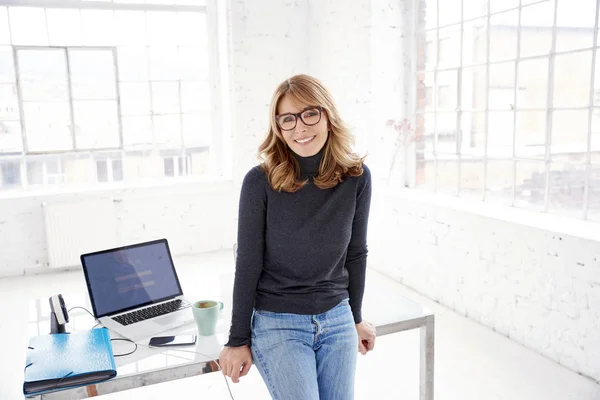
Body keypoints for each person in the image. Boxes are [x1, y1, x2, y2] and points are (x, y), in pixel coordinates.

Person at [219, 74, 376, 400]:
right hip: (278, 322)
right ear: (278, 126)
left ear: (328, 116)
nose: (300, 128)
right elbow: (248, 262)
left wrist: (356, 318)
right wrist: (237, 340)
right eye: (287, 119)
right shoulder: (259, 181)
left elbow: (356, 253)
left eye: (309, 114)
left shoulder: (356, 178)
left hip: (337, 318)